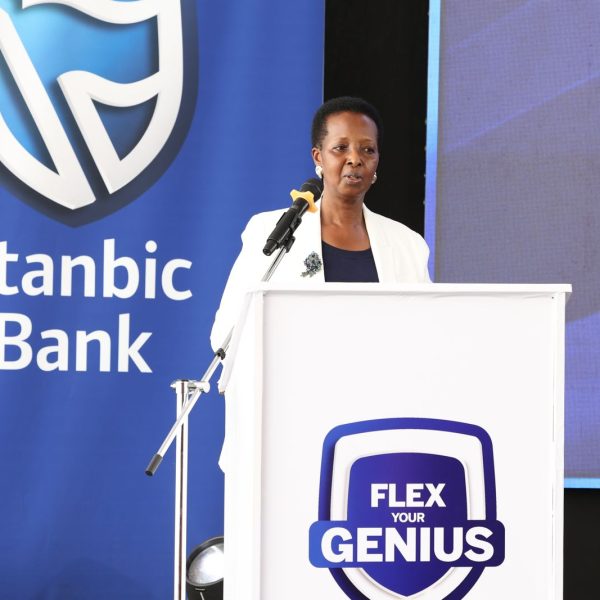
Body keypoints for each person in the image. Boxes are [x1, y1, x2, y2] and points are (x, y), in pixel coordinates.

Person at [210, 96, 431, 351]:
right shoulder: (269, 230)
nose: (355, 159)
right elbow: (227, 332)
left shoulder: (408, 244)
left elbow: (425, 334)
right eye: (341, 148)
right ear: (318, 157)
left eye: (368, 150)